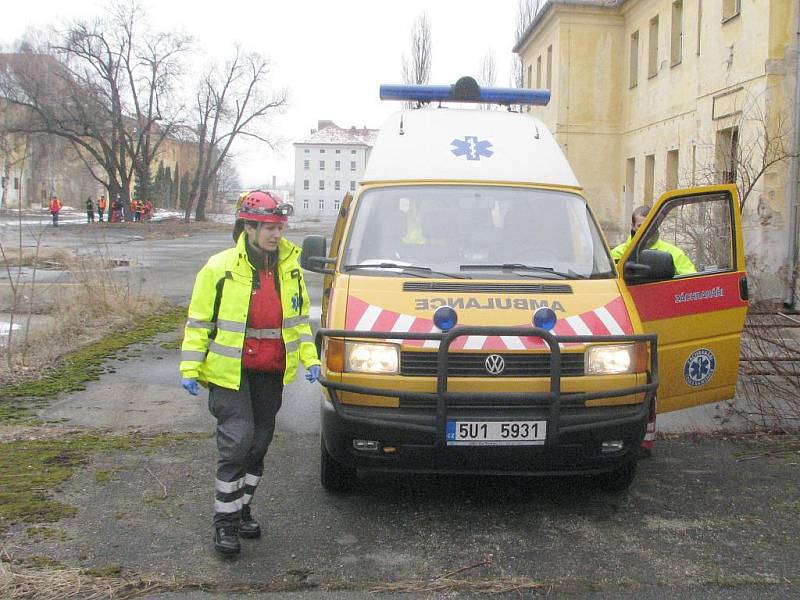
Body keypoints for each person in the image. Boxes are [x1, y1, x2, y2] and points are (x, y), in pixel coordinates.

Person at [179, 190, 321, 557]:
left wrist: (311, 359)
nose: (277, 235)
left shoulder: (290, 269)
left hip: (269, 371)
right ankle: (224, 524)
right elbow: (199, 324)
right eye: (269, 228)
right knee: (237, 442)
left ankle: (242, 510)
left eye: (280, 227)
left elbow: (298, 322)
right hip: (230, 374)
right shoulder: (219, 268)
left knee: (258, 444)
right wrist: (190, 366)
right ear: (248, 226)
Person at [611, 204, 696, 276]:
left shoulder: (674, 253)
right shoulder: (617, 254)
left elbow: (692, 282)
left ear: (656, 226)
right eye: (640, 226)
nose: (645, 230)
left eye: (649, 226)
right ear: (633, 226)